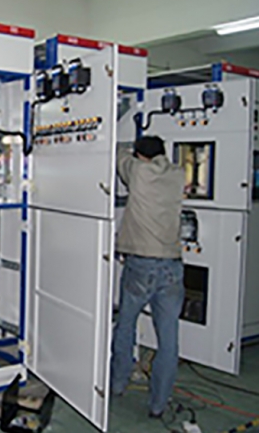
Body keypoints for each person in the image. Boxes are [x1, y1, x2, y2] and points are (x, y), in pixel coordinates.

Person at [110, 135, 186, 418]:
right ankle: (158, 404)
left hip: (141, 264)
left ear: (141, 156)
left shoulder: (139, 171)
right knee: (169, 339)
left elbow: (119, 157)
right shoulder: (178, 174)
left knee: (126, 325)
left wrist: (123, 145)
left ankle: (118, 384)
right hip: (173, 266)